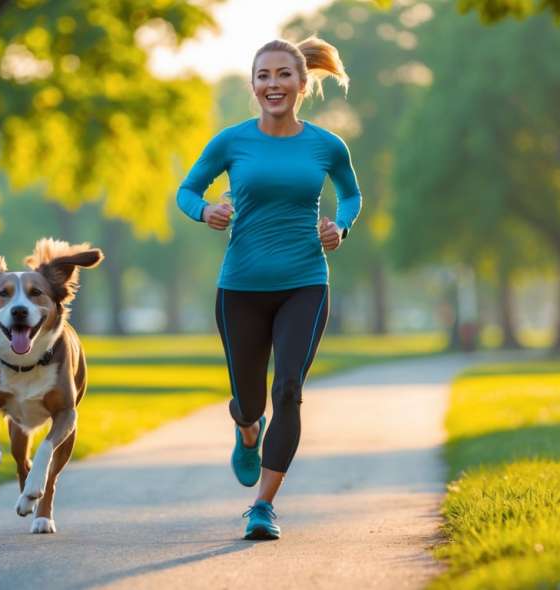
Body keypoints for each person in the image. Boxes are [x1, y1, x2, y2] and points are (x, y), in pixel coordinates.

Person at [175, 36, 362, 540]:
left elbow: (351, 194)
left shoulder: (326, 145)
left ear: (303, 84)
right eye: (263, 76)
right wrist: (205, 210)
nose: (272, 84)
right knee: (250, 399)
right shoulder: (232, 141)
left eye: (283, 75)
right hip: (240, 287)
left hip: (305, 281)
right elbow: (187, 189)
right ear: (254, 85)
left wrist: (338, 228)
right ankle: (247, 429)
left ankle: (263, 507)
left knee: (290, 390)